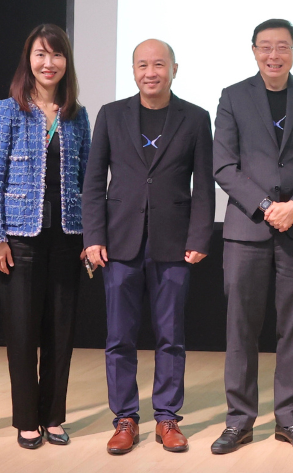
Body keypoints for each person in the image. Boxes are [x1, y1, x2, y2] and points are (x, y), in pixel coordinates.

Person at [82, 39, 215, 455]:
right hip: (119, 242)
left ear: (175, 69)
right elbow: (93, 181)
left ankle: (167, 417)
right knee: (119, 337)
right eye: (143, 65)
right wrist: (93, 236)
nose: (150, 72)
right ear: (133, 70)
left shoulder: (196, 117)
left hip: (174, 244)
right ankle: (125, 418)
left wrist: (199, 236)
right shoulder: (111, 114)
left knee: (171, 336)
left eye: (159, 64)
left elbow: (204, 185)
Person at [212, 19, 293, 454]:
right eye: (265, 46)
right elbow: (224, 165)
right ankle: (238, 421)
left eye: (282, 47)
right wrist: (267, 206)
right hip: (246, 230)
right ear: (253, 51)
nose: (273, 55)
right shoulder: (233, 96)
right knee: (240, 329)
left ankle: (290, 420)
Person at [0, 23, 90, 449]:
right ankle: (27, 420)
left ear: (66, 62)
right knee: (23, 334)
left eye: (57, 55)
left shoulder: (77, 115)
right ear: (29, 60)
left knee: (61, 333)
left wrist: (92, 235)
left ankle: (54, 416)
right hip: (18, 240)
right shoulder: (8, 110)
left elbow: (88, 181)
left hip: (67, 237)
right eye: (41, 54)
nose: (49, 63)